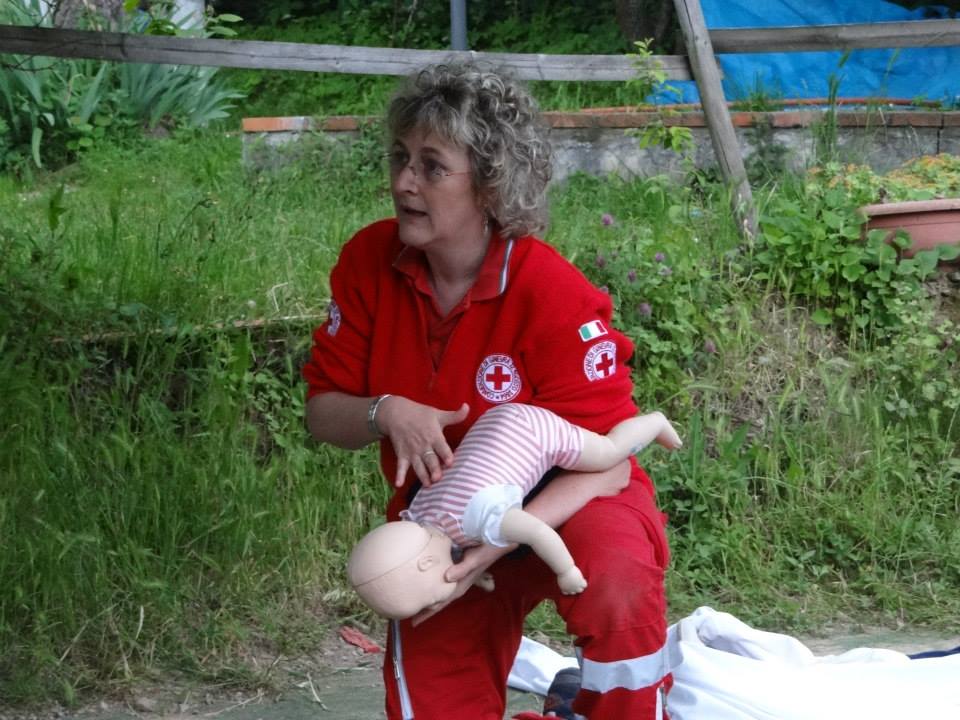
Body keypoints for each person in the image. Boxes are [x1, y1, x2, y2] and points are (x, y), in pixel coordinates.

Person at [303, 62, 674, 720]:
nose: (403, 181)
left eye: (432, 166)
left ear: (491, 184)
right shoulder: (367, 261)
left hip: (579, 498)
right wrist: (385, 413)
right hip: (449, 519)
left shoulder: (552, 290)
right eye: (399, 157)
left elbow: (613, 463)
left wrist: (497, 544)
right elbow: (323, 414)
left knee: (615, 582)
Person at [347, 404, 682, 620]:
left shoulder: (479, 517)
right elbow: (453, 553)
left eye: (428, 600)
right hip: (493, 424)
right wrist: (473, 572)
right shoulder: (419, 514)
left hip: (534, 433)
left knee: (608, 451)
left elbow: (537, 532)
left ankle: (654, 423)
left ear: (426, 563)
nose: (433, 604)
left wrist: (566, 571)